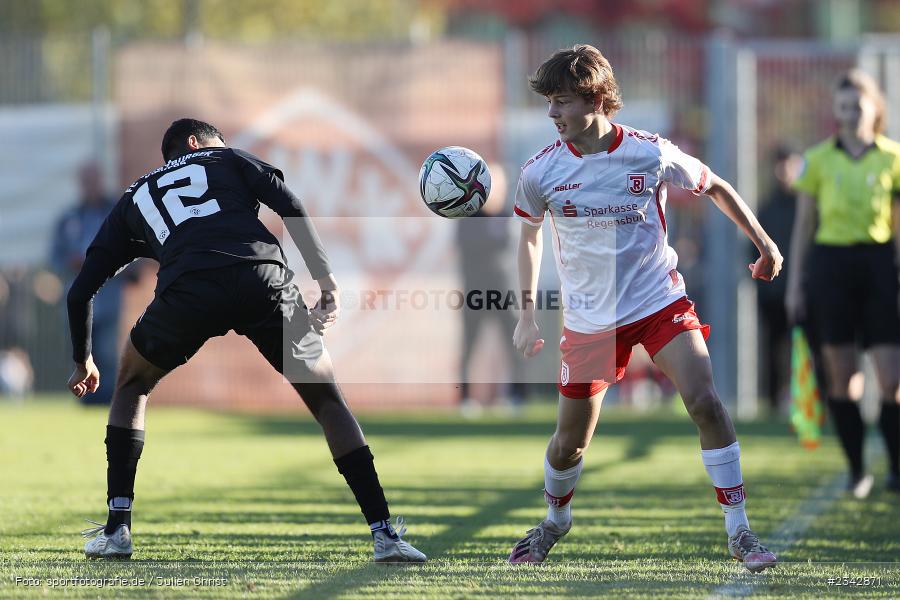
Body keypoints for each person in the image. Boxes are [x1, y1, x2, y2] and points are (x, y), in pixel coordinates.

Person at [67, 118, 426, 563]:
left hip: (188, 290)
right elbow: (290, 204)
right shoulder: (228, 158)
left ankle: (117, 529)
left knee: (131, 384)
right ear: (198, 143)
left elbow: (81, 289)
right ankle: (385, 535)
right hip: (263, 279)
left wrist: (83, 359)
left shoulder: (134, 197)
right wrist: (326, 281)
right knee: (328, 401)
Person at [508, 45, 781, 572]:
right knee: (569, 445)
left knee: (705, 401)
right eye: (549, 103)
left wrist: (764, 243)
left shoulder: (650, 153)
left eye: (561, 101)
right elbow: (529, 237)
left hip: (659, 301)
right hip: (590, 322)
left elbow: (715, 186)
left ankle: (741, 532)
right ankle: (554, 522)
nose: (552, 114)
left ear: (595, 98)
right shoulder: (540, 171)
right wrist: (526, 315)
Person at [786, 69, 900, 499]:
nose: (850, 114)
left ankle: (896, 467)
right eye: (843, 108)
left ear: (875, 109)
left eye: (858, 106)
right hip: (830, 268)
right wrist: (796, 284)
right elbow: (804, 227)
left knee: (892, 380)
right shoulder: (818, 160)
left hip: (878, 266)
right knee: (843, 379)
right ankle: (857, 471)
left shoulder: (892, 157)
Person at [51, 161, 131, 405]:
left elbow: (131, 246)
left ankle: (106, 400)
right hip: (77, 296)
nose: (90, 186)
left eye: (93, 180)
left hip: (108, 297)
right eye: (85, 181)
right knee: (80, 350)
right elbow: (55, 257)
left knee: (106, 351)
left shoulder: (115, 212)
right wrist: (71, 262)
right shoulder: (68, 218)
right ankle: (85, 399)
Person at [456, 164, 527, 417]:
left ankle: (516, 398)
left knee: (514, 345)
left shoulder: (510, 216)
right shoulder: (467, 217)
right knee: (469, 346)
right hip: (474, 292)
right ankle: (465, 400)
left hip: (504, 292)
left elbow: (514, 250)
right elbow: (466, 248)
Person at [755, 146, 804, 415]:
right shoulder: (767, 206)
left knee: (805, 348)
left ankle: (806, 401)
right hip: (773, 293)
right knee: (773, 349)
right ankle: (774, 403)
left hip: (803, 292)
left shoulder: (806, 204)